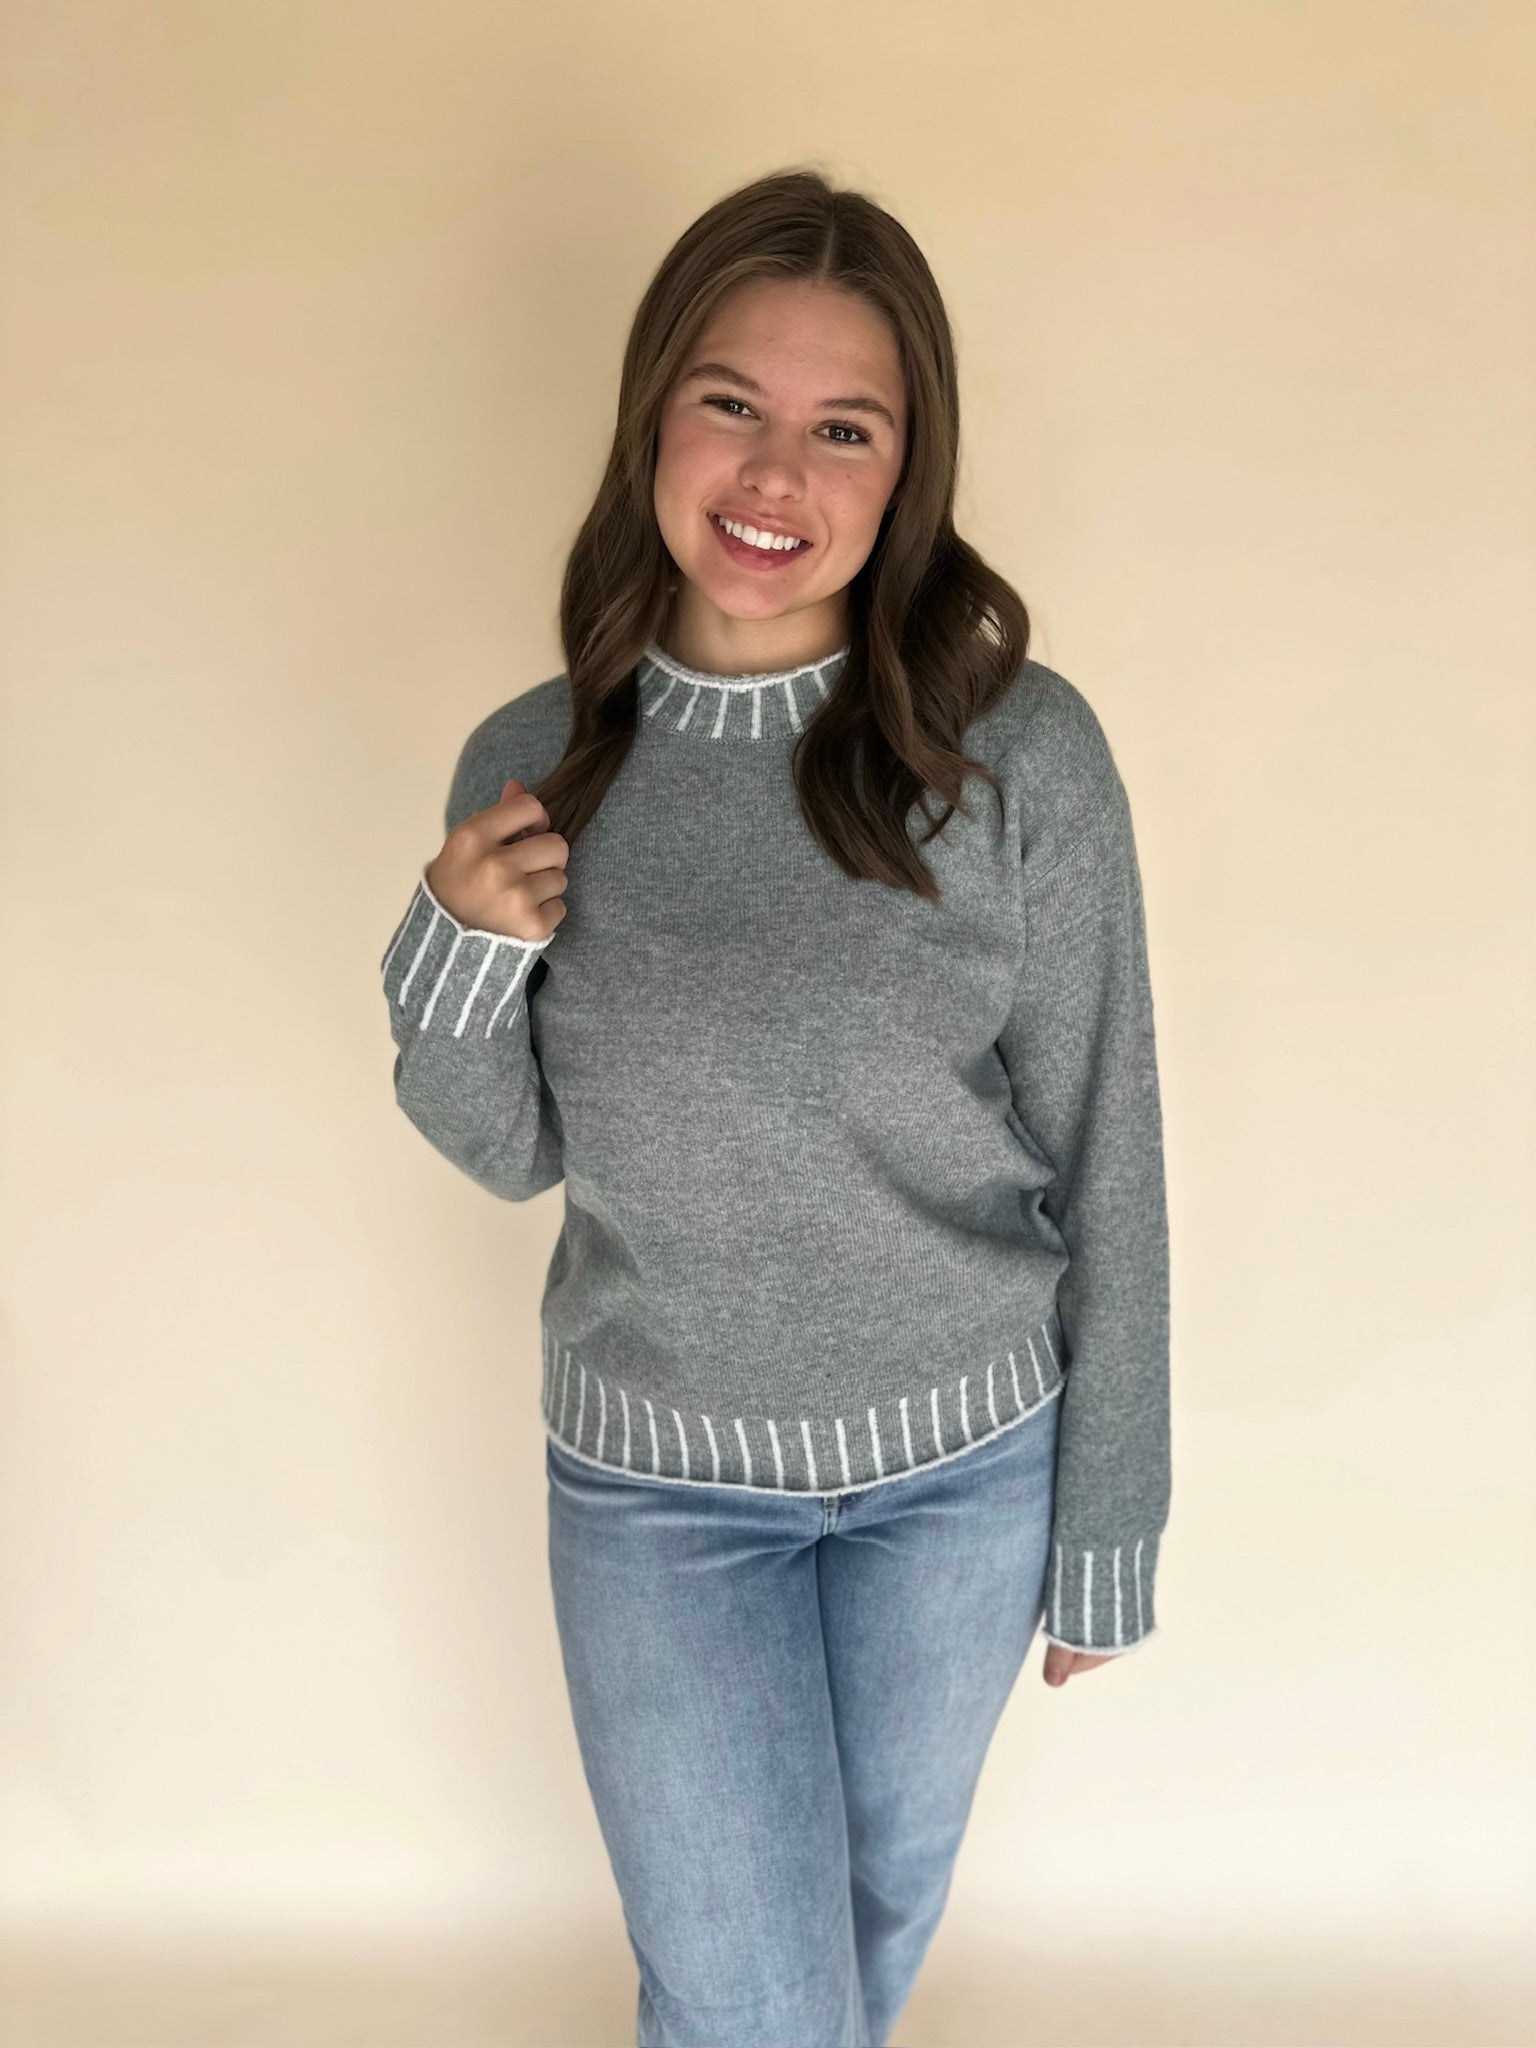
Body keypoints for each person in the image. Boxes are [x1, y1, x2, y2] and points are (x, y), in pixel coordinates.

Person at [379, 166, 1171, 2048]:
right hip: (657, 1497)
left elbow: (1103, 1143)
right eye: (731, 402)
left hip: (964, 1481)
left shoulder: (1016, 753)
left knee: (859, 1951)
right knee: (751, 1999)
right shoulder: (539, 759)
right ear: (654, 412)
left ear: (907, 474)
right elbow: (508, 1148)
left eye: (845, 429)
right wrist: (448, 944)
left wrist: (1112, 1515)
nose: (775, 474)